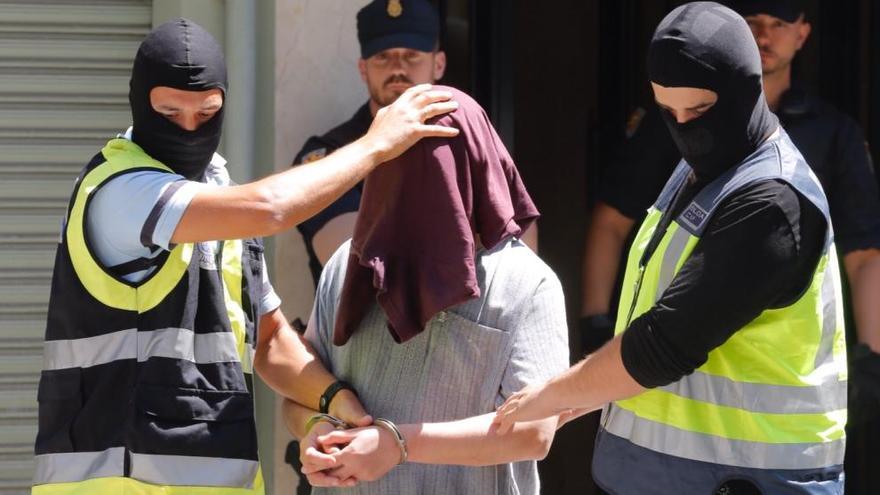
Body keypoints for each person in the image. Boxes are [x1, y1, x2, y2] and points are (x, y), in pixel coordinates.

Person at [32, 18, 457, 495]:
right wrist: (377, 145)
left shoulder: (220, 195)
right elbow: (271, 209)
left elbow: (271, 340)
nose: (189, 129)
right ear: (139, 103)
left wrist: (336, 405)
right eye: (170, 114)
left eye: (207, 113)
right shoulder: (119, 190)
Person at [495, 3, 847, 493]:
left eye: (700, 110)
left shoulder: (772, 200)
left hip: (750, 480)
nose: (685, 127)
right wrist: (588, 389)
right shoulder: (701, 170)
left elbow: (663, 345)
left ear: (747, 90)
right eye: (669, 112)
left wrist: (548, 395)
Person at [277, 87, 569, 494]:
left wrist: (398, 444)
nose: (424, 189)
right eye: (401, 165)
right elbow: (300, 397)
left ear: (477, 169)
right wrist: (317, 429)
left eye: (439, 170)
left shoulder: (526, 283)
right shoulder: (349, 265)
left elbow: (534, 433)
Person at [579, 0, 880, 372]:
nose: (764, 35)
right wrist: (595, 324)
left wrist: (871, 356)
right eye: (753, 22)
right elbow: (612, 218)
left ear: (803, 34)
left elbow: (863, 254)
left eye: (779, 24)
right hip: (667, 351)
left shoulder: (835, 134)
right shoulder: (676, 116)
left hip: (773, 372)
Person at [292, 0, 536, 288]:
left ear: (439, 63)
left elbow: (520, 259)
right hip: (364, 329)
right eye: (383, 56)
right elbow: (356, 264)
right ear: (363, 69)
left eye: (412, 55)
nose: (398, 68)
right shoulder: (330, 155)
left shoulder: (472, 147)